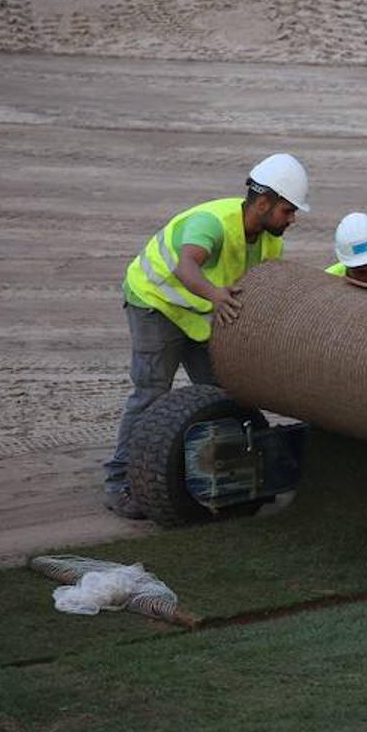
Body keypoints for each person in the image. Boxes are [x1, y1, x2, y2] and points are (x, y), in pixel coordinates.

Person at [102, 153, 311, 519]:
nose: (292, 219)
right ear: (263, 202)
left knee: (222, 392)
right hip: (156, 304)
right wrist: (216, 296)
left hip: (199, 314)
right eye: (288, 211)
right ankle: (119, 481)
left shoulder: (269, 241)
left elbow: (262, 289)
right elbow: (186, 267)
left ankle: (241, 477)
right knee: (151, 392)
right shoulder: (211, 223)